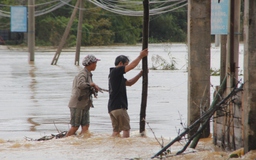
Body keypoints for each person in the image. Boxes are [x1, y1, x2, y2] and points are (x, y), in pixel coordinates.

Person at [108, 48, 148, 138]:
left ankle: (113, 148)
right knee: (126, 129)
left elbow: (129, 83)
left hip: (112, 108)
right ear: (120, 64)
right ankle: (125, 148)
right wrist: (141, 56)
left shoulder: (116, 75)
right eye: (125, 65)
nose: (126, 66)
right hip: (119, 107)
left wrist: (140, 74)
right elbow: (132, 66)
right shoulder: (116, 71)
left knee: (116, 131)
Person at [66, 55, 101, 137]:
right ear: (90, 63)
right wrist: (92, 84)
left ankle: (83, 144)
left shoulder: (88, 74)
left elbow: (86, 86)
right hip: (77, 104)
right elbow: (80, 85)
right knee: (75, 127)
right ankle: (64, 142)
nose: (96, 65)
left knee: (86, 126)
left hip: (85, 104)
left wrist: (94, 88)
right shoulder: (83, 73)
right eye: (95, 63)